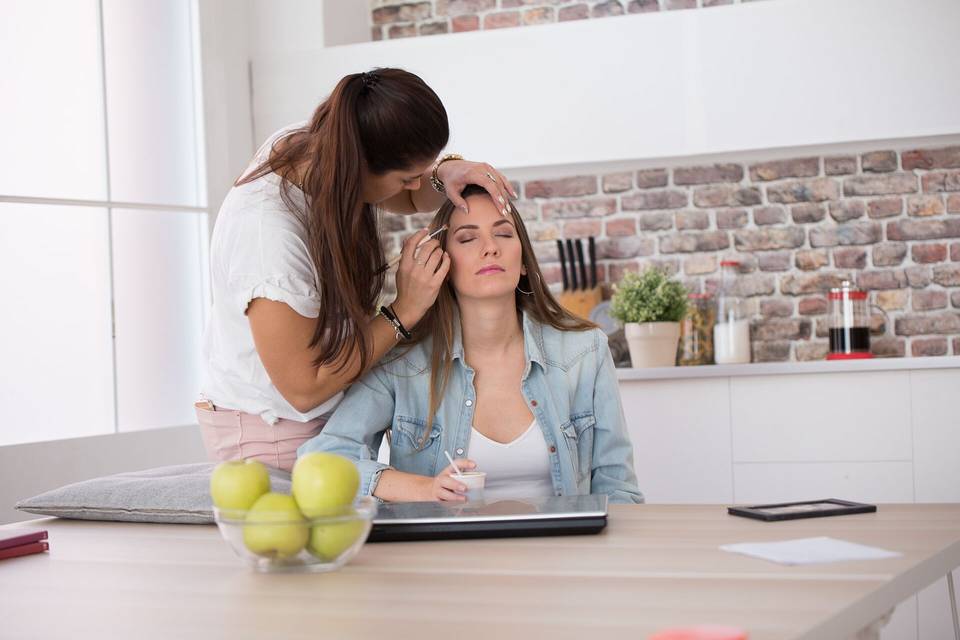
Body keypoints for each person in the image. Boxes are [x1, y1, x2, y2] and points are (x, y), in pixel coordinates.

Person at [197, 68, 517, 472]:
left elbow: (398, 193)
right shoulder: (267, 240)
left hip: (328, 415)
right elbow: (303, 387)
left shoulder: (322, 143)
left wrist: (442, 172)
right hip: (273, 431)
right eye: (409, 177)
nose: (417, 184)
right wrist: (405, 310)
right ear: (360, 164)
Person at [298, 185, 643, 504]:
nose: (490, 247)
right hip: (447, 564)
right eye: (467, 239)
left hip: (566, 562)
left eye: (504, 233)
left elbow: (618, 489)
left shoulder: (585, 351)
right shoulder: (400, 365)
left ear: (523, 262)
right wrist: (425, 489)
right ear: (441, 264)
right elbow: (320, 459)